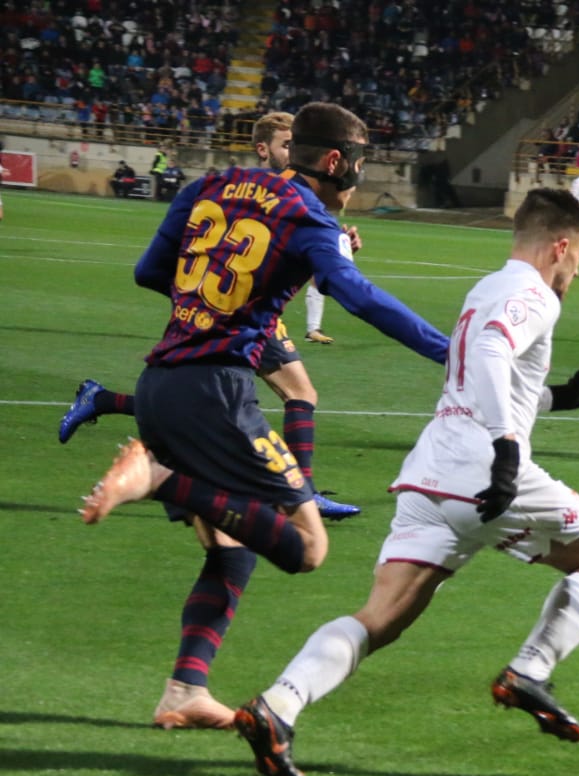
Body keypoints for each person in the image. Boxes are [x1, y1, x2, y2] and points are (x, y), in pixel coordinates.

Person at [78, 101, 455, 731]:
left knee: (231, 545)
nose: (357, 178)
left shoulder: (210, 185)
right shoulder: (309, 218)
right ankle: (154, 480)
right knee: (308, 547)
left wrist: (219, 293)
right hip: (218, 396)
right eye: (359, 165)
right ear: (336, 161)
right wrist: (453, 352)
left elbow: (150, 271)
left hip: (160, 383)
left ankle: (184, 692)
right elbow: (356, 295)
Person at [232, 187, 579, 776]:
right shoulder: (535, 295)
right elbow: (493, 353)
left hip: (429, 473)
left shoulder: (488, 287)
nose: (575, 271)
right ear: (561, 247)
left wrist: (558, 398)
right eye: (577, 258)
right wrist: (506, 448)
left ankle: (278, 704)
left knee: (380, 618)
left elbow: (484, 372)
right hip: (482, 470)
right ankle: (531, 671)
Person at [60, 112, 364, 521]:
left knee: (220, 402)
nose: (295, 150)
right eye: (286, 144)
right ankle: (302, 496)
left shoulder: (277, 198)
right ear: (264, 150)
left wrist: (335, 251)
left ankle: (101, 399)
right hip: (239, 319)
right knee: (297, 395)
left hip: (246, 317)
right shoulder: (259, 195)